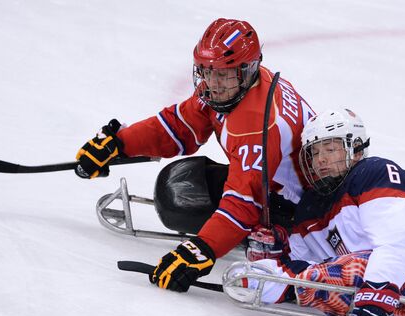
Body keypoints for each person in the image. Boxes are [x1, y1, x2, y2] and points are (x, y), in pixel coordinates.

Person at [75, 18, 314, 292]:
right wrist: (118, 144)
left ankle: (281, 236)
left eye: (222, 74)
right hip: (280, 186)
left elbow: (244, 203)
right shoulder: (242, 86)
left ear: (248, 70)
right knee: (182, 182)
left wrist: (201, 250)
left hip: (303, 215)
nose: (213, 82)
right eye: (207, 71)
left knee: (181, 196)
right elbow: (180, 127)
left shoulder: (257, 126)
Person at [235, 108, 405, 316]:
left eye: (330, 149)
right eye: (314, 153)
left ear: (357, 148)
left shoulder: (376, 173)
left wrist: (378, 290)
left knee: (357, 266)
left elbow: (400, 240)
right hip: (367, 294)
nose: (321, 160)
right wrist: (278, 252)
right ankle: (270, 280)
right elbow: (308, 264)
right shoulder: (310, 206)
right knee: (298, 271)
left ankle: (276, 285)